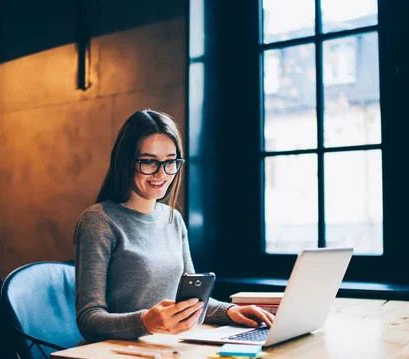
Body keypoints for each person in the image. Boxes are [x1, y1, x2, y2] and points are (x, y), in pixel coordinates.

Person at [73, 109, 274, 343]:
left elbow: (189, 302)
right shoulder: (99, 221)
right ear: (126, 161)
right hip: (115, 358)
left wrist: (230, 311)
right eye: (148, 162)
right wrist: (146, 322)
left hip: (165, 349)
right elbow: (89, 320)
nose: (162, 173)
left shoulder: (173, 219)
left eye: (170, 162)